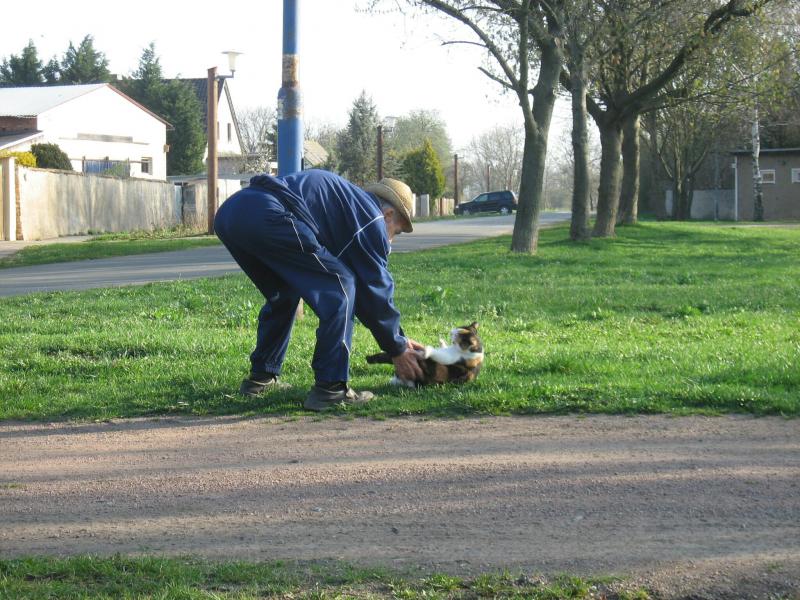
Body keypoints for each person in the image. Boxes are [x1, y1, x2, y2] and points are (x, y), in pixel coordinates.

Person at [214, 169, 425, 411]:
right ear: (388, 214)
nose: (392, 240)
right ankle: (330, 389)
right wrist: (397, 347)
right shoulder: (372, 219)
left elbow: (369, 298)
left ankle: (261, 379)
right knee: (340, 285)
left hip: (232, 214)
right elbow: (374, 288)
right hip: (269, 214)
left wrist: (397, 340)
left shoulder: (353, 206)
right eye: (396, 231)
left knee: (285, 293)